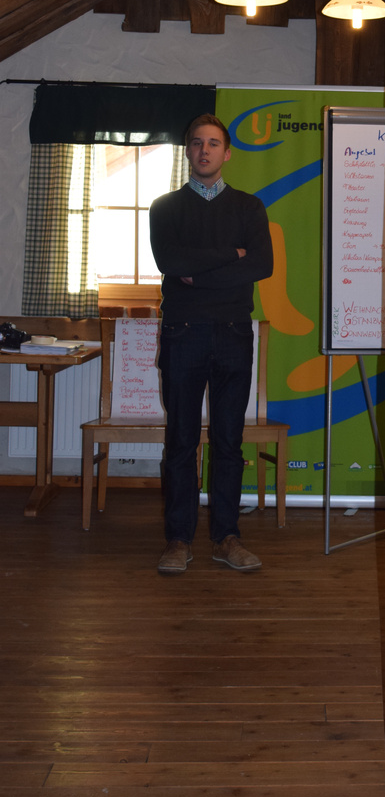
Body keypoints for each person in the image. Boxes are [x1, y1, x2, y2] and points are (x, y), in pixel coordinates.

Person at [149, 113, 274, 575]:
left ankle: (226, 537)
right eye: (197, 142)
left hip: (234, 334)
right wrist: (230, 256)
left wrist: (197, 273)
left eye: (214, 143)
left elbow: (261, 265)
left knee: (228, 442)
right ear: (187, 150)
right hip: (182, 332)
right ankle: (178, 540)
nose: (205, 150)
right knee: (181, 441)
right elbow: (170, 261)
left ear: (227, 152)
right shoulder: (165, 207)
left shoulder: (249, 207)